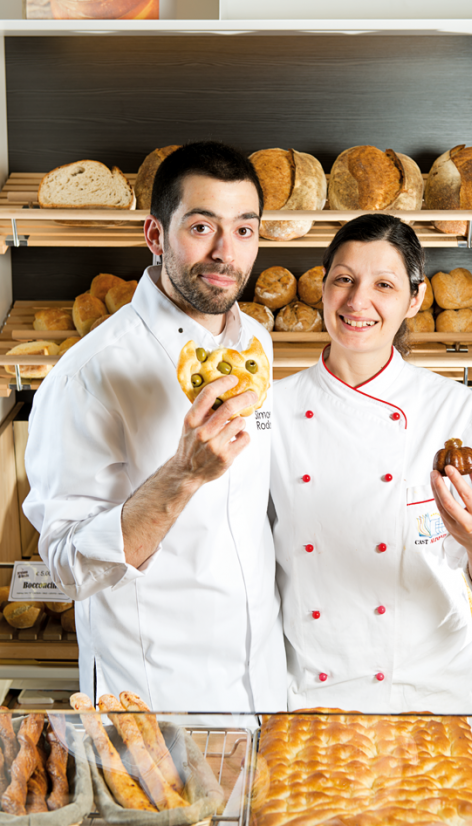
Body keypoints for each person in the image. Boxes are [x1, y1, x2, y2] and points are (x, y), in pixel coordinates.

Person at [24, 141, 287, 713]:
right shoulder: (88, 375)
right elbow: (68, 565)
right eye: (201, 226)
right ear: (155, 236)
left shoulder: (256, 346)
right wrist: (183, 477)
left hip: (263, 684)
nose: (226, 253)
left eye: (245, 230)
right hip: (155, 698)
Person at [270, 213, 472, 715]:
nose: (357, 302)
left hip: (430, 691)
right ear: (322, 288)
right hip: (308, 694)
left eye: (384, 285)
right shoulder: (271, 411)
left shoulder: (457, 412)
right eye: (343, 279)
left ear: (414, 299)